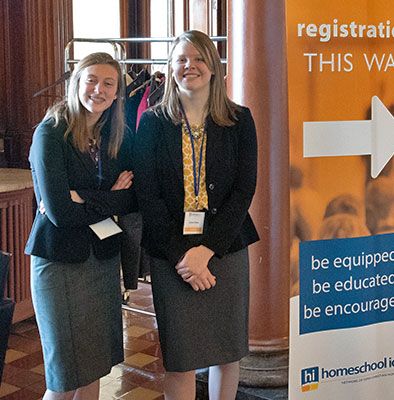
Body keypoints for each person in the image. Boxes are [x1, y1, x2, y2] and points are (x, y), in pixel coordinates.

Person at [134, 30, 259, 400]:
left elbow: (243, 191)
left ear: (214, 67)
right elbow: (148, 196)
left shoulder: (239, 120)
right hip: (171, 253)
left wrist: (207, 251)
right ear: (170, 68)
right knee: (180, 356)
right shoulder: (153, 124)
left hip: (226, 247)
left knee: (226, 351)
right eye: (181, 59)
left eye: (199, 58)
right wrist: (182, 255)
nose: (190, 66)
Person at [25, 52, 135, 399]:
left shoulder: (115, 135)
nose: (98, 89)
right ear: (75, 82)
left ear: (117, 93)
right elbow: (59, 213)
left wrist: (81, 197)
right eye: (91, 79)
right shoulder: (51, 132)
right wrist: (106, 198)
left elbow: (132, 198)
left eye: (108, 83)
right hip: (58, 262)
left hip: (101, 261)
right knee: (63, 377)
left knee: (93, 369)